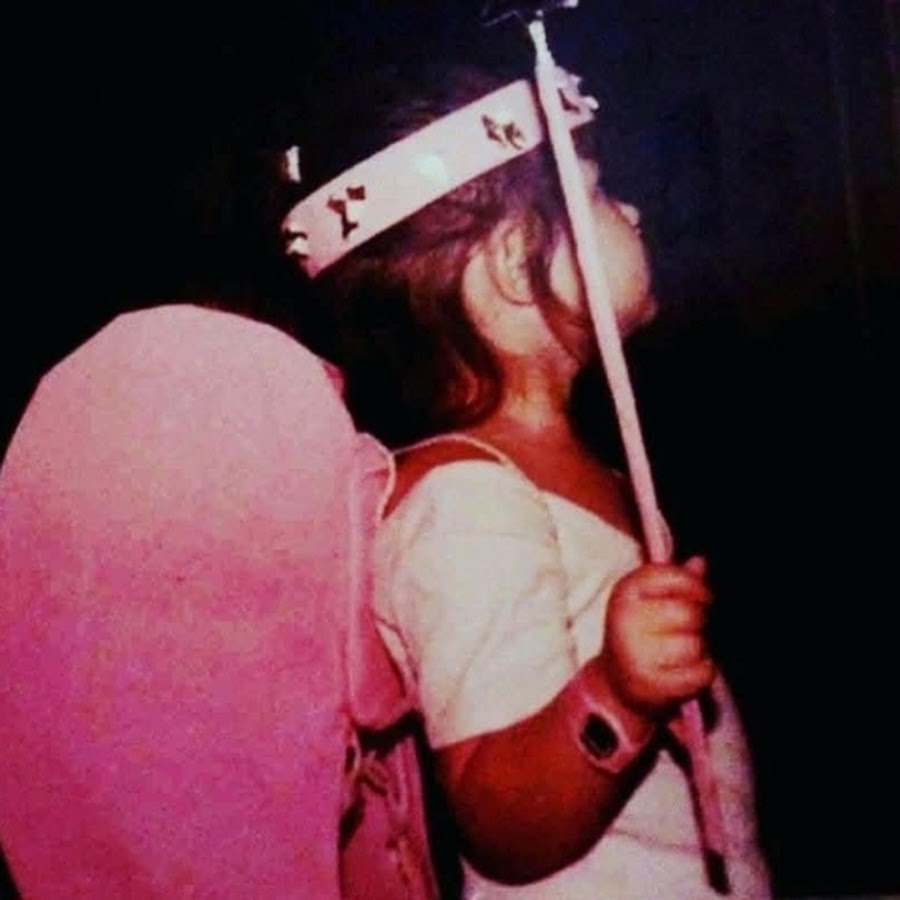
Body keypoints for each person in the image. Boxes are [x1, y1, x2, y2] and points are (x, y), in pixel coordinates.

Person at [278, 57, 771, 898]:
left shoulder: (585, 473)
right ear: (514, 262)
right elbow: (500, 816)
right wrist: (617, 694)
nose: (633, 211)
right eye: (599, 192)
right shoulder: (466, 501)